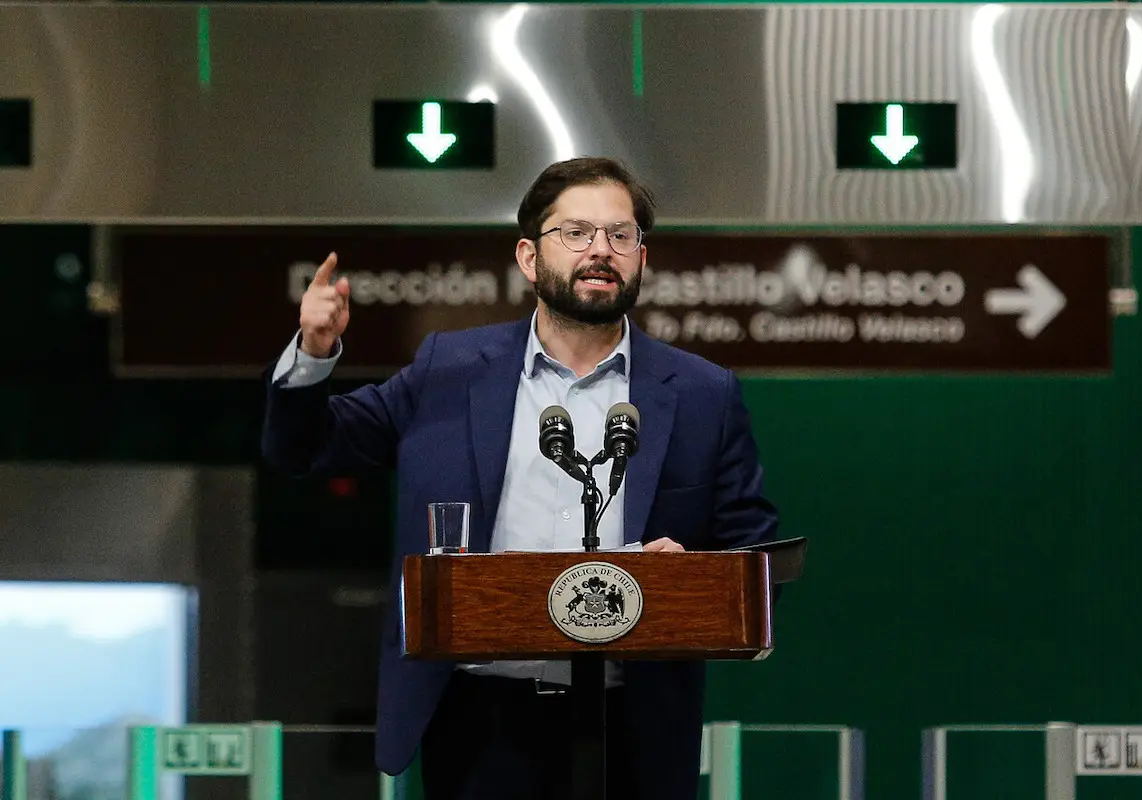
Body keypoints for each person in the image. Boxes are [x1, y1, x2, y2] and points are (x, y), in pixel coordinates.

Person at [261, 156, 779, 799]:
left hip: (635, 730)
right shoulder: (449, 370)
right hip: (481, 722)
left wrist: (684, 581)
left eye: (621, 236)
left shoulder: (702, 394)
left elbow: (755, 559)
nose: (601, 251)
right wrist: (314, 353)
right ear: (530, 258)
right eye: (578, 233)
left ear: (642, 258)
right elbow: (305, 449)